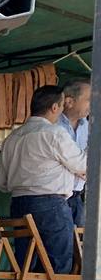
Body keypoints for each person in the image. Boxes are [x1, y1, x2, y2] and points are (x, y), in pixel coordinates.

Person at [0, 84, 88, 280]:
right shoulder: (54, 134)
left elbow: (1, 182)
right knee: (58, 261)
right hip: (51, 204)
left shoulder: (14, 136)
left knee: (24, 263)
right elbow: (83, 164)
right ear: (55, 107)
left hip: (19, 203)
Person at [59, 78, 91, 228]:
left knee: (79, 247)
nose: (93, 105)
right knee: (56, 247)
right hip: (56, 196)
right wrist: (80, 168)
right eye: (89, 100)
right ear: (69, 102)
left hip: (77, 195)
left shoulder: (87, 126)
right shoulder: (53, 125)